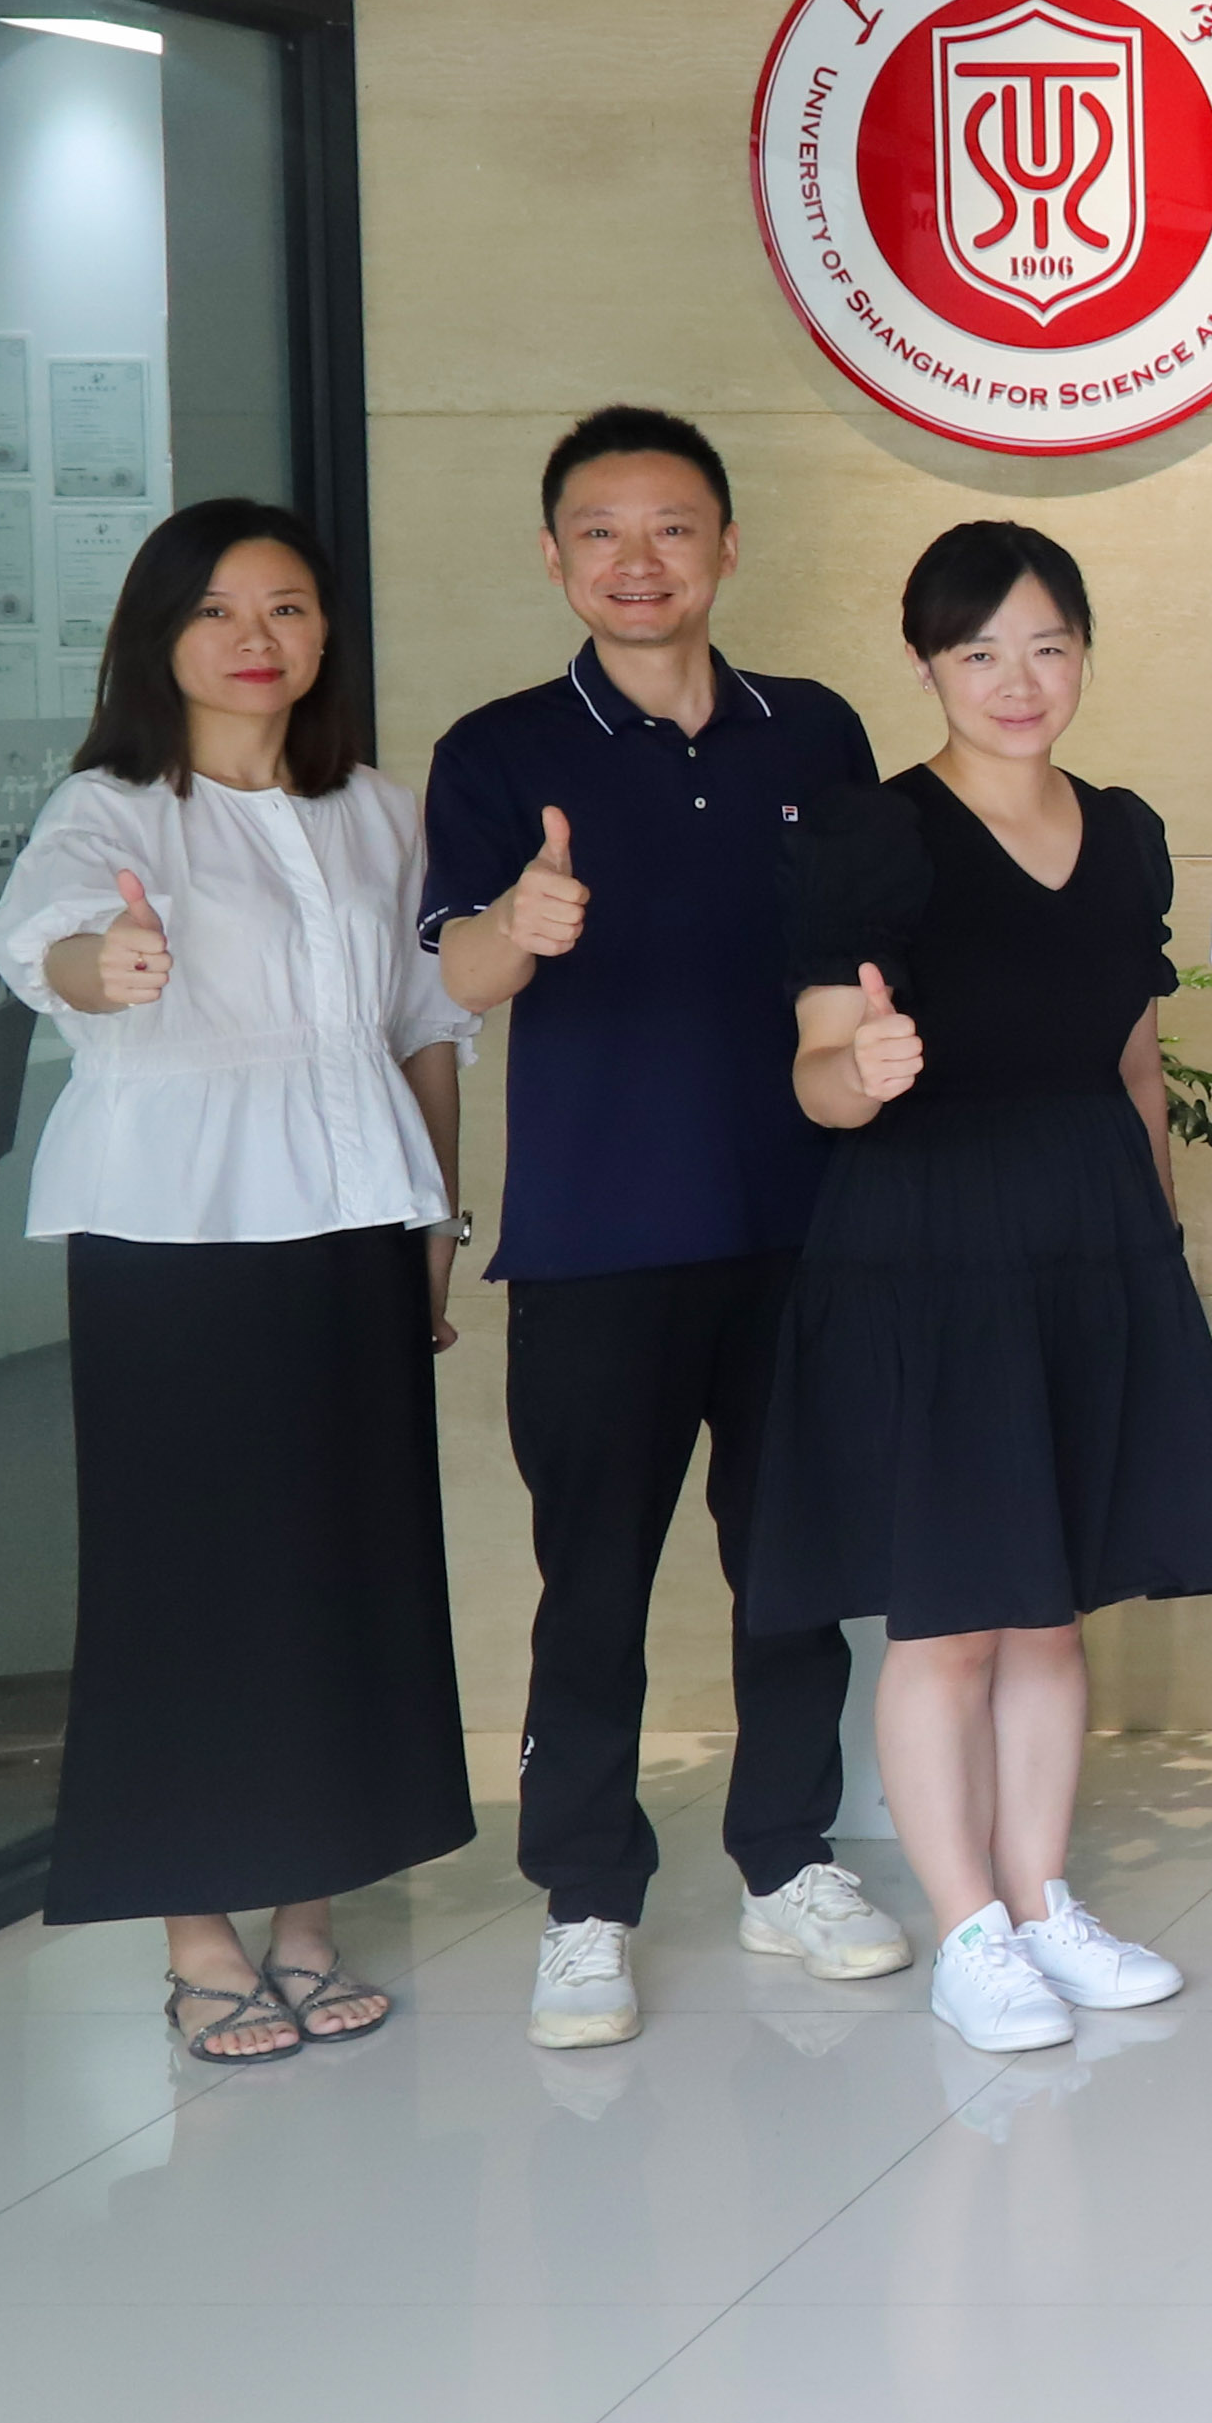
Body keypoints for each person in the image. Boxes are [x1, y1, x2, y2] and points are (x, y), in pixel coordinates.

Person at [414, 408, 907, 2051]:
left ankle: (788, 1857)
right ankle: (586, 1897)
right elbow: (456, 971)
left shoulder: (814, 731)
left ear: (727, 546)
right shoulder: (498, 750)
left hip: (802, 1230)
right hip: (597, 1241)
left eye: (673, 526)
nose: (639, 561)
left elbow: (860, 957)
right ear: (555, 556)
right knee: (594, 1583)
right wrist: (518, 921)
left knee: (793, 1571)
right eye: (602, 532)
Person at [749, 522, 1212, 2055]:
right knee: (951, 1617)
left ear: (1083, 652)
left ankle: (1042, 1903)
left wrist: (1154, 1238)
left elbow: (1133, 1059)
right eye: (979, 651)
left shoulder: (1126, 831)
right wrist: (863, 1064)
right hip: (931, 1241)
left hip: (1090, 1235)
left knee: (1048, 1611)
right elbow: (815, 1074)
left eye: (1046, 645)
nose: (1017, 679)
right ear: (927, 663)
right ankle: (968, 1926)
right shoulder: (874, 835)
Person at [0, 500, 479, 2067]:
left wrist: (439, 1222)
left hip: (355, 1221)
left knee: (342, 1568)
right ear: (159, 636)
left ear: (325, 632)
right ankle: (199, 1935)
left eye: (287, 606)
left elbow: (426, 1032)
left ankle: (310, 1915)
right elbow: (51, 945)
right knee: (186, 1583)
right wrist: (110, 966)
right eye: (215, 608)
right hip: (174, 1237)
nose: (255, 636)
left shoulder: (376, 812)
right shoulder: (112, 807)